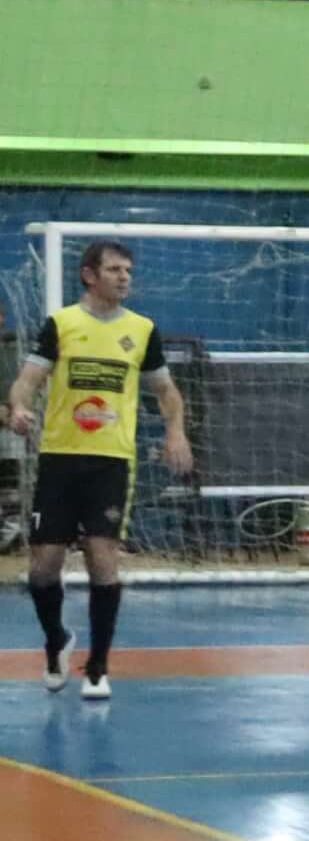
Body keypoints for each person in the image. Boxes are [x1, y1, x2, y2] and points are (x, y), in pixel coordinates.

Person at [9, 237, 189, 700]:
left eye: (128, 270)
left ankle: (98, 667)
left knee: (102, 556)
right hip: (59, 458)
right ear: (90, 275)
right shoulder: (62, 324)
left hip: (111, 461)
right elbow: (27, 382)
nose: (124, 276)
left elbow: (166, 392)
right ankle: (56, 641)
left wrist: (175, 433)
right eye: (114, 269)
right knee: (44, 568)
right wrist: (20, 408)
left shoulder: (142, 329)